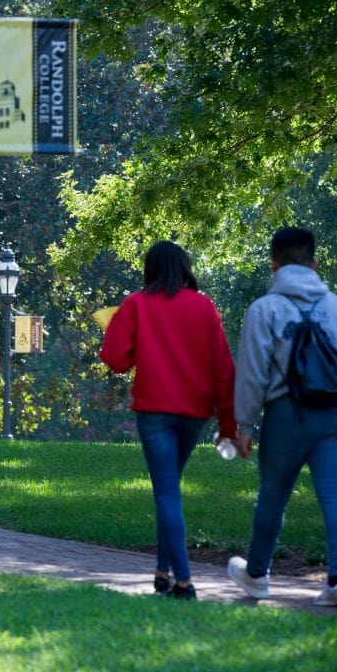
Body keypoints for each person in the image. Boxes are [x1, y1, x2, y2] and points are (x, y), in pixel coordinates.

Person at [229, 227, 337, 607]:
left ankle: (257, 576)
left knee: (272, 496)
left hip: (286, 417)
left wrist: (244, 425)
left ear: (273, 265)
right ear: (314, 263)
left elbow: (252, 373)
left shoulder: (264, 310)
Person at [100, 241, 236, 600]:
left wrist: (113, 326)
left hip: (155, 412)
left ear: (150, 269)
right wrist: (228, 425)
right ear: (185, 267)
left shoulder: (136, 304)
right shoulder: (204, 306)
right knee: (169, 488)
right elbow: (224, 369)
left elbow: (116, 360)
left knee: (166, 491)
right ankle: (163, 572)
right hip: (195, 414)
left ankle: (184, 582)